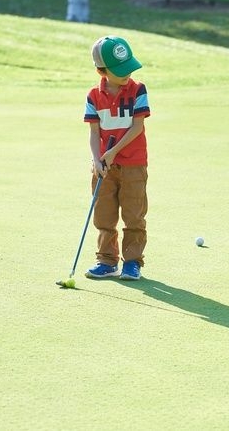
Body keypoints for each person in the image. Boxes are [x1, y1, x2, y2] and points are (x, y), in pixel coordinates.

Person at [83, 35, 150, 280]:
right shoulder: (93, 96)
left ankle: (132, 262)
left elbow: (137, 127)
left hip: (134, 163)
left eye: (128, 67)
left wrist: (112, 151)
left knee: (133, 214)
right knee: (104, 214)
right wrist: (97, 158)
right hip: (104, 167)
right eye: (120, 70)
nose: (127, 74)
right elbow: (93, 132)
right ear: (102, 70)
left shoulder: (138, 90)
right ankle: (107, 261)